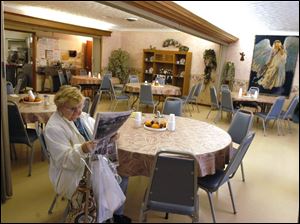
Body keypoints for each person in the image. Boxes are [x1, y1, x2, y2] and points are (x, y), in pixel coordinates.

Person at [44, 85, 131, 223]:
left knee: (125, 172)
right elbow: (64, 161)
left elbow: (98, 132)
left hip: (92, 163)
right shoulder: (53, 128)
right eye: (73, 108)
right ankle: (104, 216)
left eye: (80, 106)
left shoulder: (81, 117)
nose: (78, 112)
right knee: (111, 179)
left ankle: (114, 214)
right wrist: (82, 149)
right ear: (59, 107)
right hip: (71, 173)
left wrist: (110, 135)